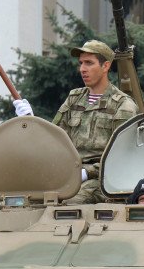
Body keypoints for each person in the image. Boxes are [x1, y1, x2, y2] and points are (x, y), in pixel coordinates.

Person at [52, 39, 138, 205]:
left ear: (105, 66)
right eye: (81, 63)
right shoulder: (74, 98)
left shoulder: (123, 105)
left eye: (89, 63)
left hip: (104, 179)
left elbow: (121, 157)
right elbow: (55, 139)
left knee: (67, 204)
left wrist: (86, 172)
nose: (83, 69)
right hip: (68, 174)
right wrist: (30, 118)